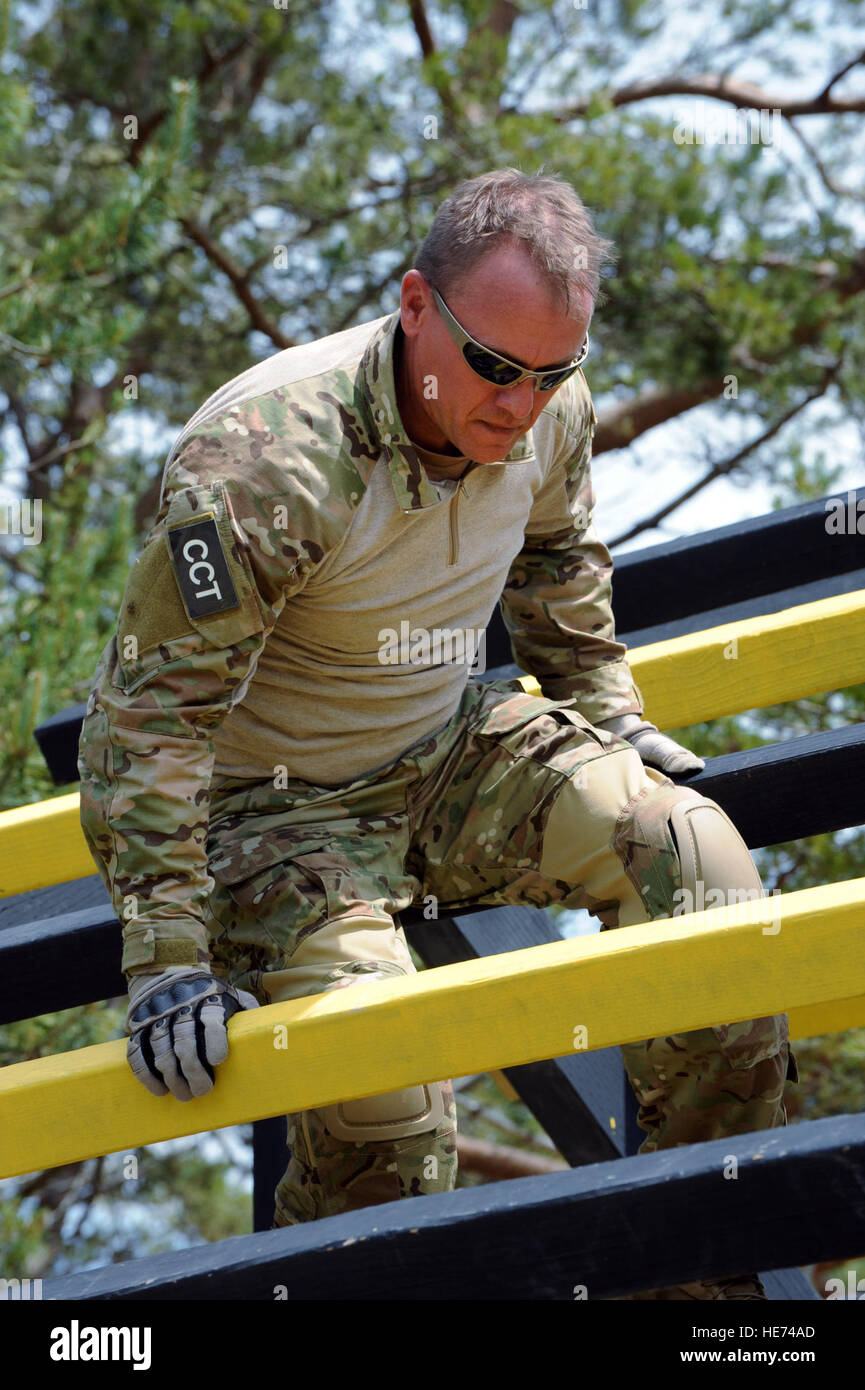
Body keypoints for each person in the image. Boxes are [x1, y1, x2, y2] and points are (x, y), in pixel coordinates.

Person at [78, 167, 796, 1301]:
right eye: (495, 368)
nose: (519, 405)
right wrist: (167, 959)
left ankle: (692, 1288)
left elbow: (558, 560)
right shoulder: (261, 461)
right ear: (415, 304)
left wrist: (606, 715)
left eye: (552, 373)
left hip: (448, 749)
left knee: (697, 862)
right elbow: (149, 720)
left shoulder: (546, 404)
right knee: (387, 1085)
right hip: (270, 809)